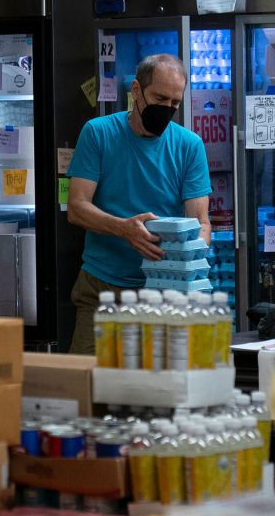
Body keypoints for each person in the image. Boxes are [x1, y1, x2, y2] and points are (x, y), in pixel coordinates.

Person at [66, 53, 211, 354]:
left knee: (158, 391)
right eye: (159, 98)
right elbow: (77, 208)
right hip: (102, 289)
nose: (166, 109)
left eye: (174, 103)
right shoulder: (98, 133)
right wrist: (124, 229)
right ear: (136, 91)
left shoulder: (189, 146)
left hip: (163, 293)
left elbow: (202, 224)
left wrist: (189, 256)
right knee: (91, 387)